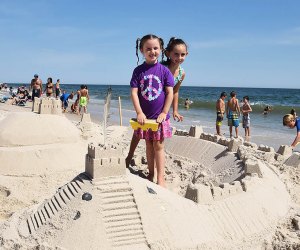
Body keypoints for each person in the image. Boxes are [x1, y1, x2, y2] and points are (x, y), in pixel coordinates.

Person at [126, 37, 188, 169]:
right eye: (176, 54)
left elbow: (174, 92)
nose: (179, 57)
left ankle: (154, 169)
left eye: (182, 54)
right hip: (148, 105)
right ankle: (130, 154)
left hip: (161, 109)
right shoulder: (161, 67)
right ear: (168, 53)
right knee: (138, 133)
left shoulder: (181, 73)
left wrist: (174, 110)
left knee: (156, 142)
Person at [130, 34, 174, 187]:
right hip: (146, 117)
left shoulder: (164, 71)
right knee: (148, 144)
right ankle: (151, 173)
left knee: (159, 146)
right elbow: (134, 93)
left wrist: (164, 112)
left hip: (160, 118)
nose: (152, 51)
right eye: (148, 48)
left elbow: (169, 93)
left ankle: (161, 177)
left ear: (161, 50)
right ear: (142, 50)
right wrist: (139, 112)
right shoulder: (138, 71)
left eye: (155, 48)